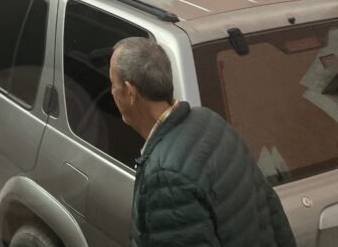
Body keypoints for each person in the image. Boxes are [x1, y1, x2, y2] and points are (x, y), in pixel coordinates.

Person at [109, 37, 296, 247]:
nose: (112, 92)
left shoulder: (166, 176)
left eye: (113, 84)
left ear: (130, 92)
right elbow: (271, 208)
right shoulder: (210, 121)